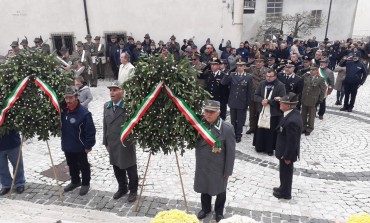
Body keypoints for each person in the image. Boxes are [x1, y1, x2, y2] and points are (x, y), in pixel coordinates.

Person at [194, 100, 235, 222]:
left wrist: (228, 171)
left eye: (212, 112)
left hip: (218, 167)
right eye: (206, 111)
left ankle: (219, 212)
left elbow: (231, 152)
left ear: (219, 112)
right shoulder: (199, 125)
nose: (208, 114)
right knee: (204, 187)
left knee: (220, 190)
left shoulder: (227, 129)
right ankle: (205, 209)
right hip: (203, 165)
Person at [103, 81, 138, 202]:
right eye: (111, 90)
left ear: (122, 93)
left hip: (125, 142)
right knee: (116, 166)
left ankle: (133, 190)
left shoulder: (128, 106)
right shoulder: (106, 106)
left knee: (130, 167)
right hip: (112, 142)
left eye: (115, 90)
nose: (112, 92)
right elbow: (105, 125)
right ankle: (122, 187)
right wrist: (105, 141)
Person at [61, 86, 96, 196]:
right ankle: (75, 181)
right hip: (67, 144)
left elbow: (90, 130)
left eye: (70, 98)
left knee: (83, 165)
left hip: (80, 146)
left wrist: (88, 145)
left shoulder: (84, 113)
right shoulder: (64, 110)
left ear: (76, 97)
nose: (68, 101)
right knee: (71, 164)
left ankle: (85, 183)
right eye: (66, 98)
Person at [273, 92, 303, 200]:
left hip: (287, 153)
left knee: (286, 173)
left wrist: (287, 157)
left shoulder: (292, 121)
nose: (280, 103)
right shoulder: (291, 113)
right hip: (284, 150)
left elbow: (292, 142)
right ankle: (282, 188)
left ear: (289, 106)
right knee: (283, 172)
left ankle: (286, 193)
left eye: (283, 102)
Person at [253, 69, 286, 155]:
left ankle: (269, 149)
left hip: (274, 113)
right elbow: (256, 95)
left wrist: (269, 101)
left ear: (275, 76)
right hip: (262, 111)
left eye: (270, 76)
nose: (268, 78)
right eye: (267, 76)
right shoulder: (262, 84)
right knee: (261, 130)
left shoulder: (280, 85)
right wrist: (261, 100)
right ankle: (259, 147)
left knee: (271, 133)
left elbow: (282, 98)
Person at [221, 61, 253, 142]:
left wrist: (248, 103)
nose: (239, 67)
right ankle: (233, 133)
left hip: (242, 101)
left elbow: (249, 91)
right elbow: (223, 82)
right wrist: (228, 73)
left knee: (240, 120)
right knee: (233, 119)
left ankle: (239, 134)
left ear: (244, 67)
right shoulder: (232, 75)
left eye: (241, 66)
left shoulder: (248, 77)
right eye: (238, 66)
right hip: (233, 101)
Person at [301, 64, 326, 136]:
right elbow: (299, 75)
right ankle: (303, 127)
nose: (311, 71)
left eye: (313, 70)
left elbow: (323, 90)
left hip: (313, 100)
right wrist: (305, 70)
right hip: (305, 98)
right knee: (303, 114)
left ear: (316, 71)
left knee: (311, 115)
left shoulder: (320, 79)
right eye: (310, 70)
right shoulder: (306, 76)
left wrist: (320, 100)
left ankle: (310, 128)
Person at [246, 56, 268, 134]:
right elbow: (243, 67)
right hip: (252, 94)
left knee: (260, 112)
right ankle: (252, 127)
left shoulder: (267, 70)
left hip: (261, 95)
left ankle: (259, 128)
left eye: (260, 62)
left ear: (263, 63)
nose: (258, 63)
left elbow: (266, 80)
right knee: (252, 112)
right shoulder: (252, 68)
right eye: (257, 62)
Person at [0, 131, 26, 195]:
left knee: (18, 164)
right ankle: (6, 185)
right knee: (2, 167)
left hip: (13, 142)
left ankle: (19, 183)